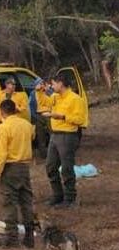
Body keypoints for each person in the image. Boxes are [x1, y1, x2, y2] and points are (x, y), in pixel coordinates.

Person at [0, 100, 35, 248]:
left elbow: (1, 152)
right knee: (26, 201)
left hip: (10, 168)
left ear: (2, 111)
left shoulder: (4, 128)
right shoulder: (26, 124)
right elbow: (32, 136)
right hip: (24, 166)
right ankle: (29, 236)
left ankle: (11, 237)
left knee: (9, 202)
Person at [44, 73, 87, 208]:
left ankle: (70, 198)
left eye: (54, 83)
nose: (52, 86)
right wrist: (40, 91)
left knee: (67, 168)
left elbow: (80, 120)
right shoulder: (55, 97)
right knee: (50, 166)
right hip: (55, 134)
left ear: (61, 83)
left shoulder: (76, 99)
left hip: (68, 135)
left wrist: (62, 116)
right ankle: (57, 194)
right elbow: (43, 104)